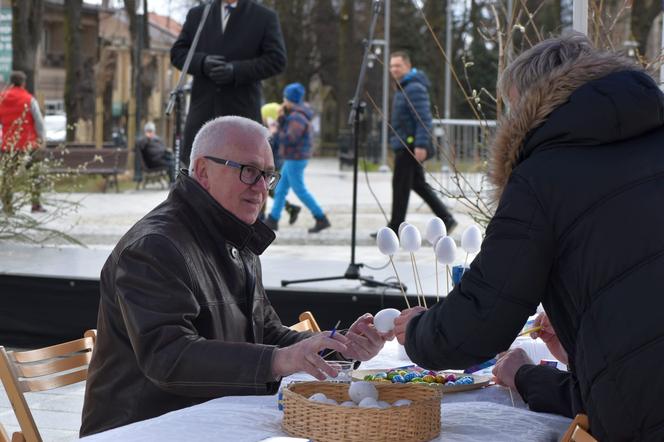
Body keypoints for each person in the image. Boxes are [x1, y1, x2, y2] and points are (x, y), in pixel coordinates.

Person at [393, 34, 664, 441]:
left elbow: (477, 324)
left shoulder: (542, 174)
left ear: (532, 103)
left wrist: (417, 331)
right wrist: (581, 335)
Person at [80, 116, 387, 436]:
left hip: (209, 418)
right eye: (249, 171)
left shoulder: (236, 236)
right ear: (202, 171)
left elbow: (267, 334)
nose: (261, 188)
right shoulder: (154, 247)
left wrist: (338, 348)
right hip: (142, 429)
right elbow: (169, 359)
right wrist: (278, 361)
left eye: (267, 175)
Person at [170, 0, 286, 166]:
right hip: (203, 114)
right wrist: (202, 63)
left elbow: (277, 60)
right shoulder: (198, 15)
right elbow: (178, 53)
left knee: (241, 174)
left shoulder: (264, 17)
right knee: (198, 176)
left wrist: (236, 71)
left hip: (242, 112)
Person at [383, 51, 456, 235]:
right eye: (391, 66)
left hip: (409, 145)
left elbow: (423, 118)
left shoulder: (414, 88)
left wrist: (421, 144)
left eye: (398, 65)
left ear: (408, 66)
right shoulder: (403, 87)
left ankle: (395, 228)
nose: (394, 69)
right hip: (405, 143)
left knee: (400, 186)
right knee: (417, 184)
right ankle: (447, 218)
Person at [264, 83, 331, 233]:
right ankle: (273, 219)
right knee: (280, 189)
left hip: (296, 157)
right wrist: (281, 119)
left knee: (299, 190)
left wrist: (275, 131)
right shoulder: (296, 114)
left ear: (289, 99)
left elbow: (290, 138)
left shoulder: (297, 116)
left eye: (285, 98)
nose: (283, 101)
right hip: (293, 157)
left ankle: (321, 218)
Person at [0, 70, 46, 213]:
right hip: (29, 144)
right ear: (24, 83)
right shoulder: (29, 99)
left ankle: (7, 205)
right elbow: (38, 121)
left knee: (7, 176)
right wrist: (42, 138)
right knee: (35, 173)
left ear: (11, 82)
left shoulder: (2, 98)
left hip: (8, 144)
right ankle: (35, 204)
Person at [260, 102, 301, 225]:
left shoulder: (274, 132)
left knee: (266, 188)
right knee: (269, 189)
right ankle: (291, 208)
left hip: (275, 164)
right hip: (276, 163)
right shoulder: (276, 130)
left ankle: (261, 217)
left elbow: (272, 149)